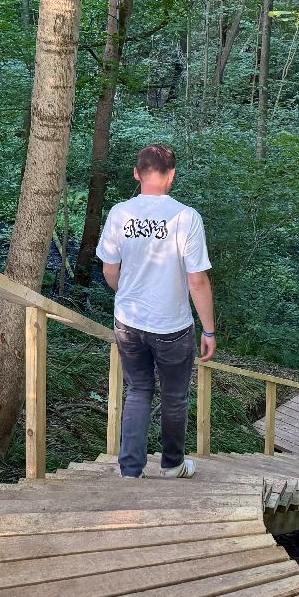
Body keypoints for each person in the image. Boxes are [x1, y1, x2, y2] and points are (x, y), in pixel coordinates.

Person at [96, 143, 216, 478]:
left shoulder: (120, 213)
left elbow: (109, 270)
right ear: (172, 175)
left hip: (128, 323)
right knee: (175, 397)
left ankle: (130, 470)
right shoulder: (186, 217)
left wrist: (128, 293)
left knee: (137, 391)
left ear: (137, 173)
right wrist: (208, 330)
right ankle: (172, 465)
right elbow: (198, 282)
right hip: (172, 326)